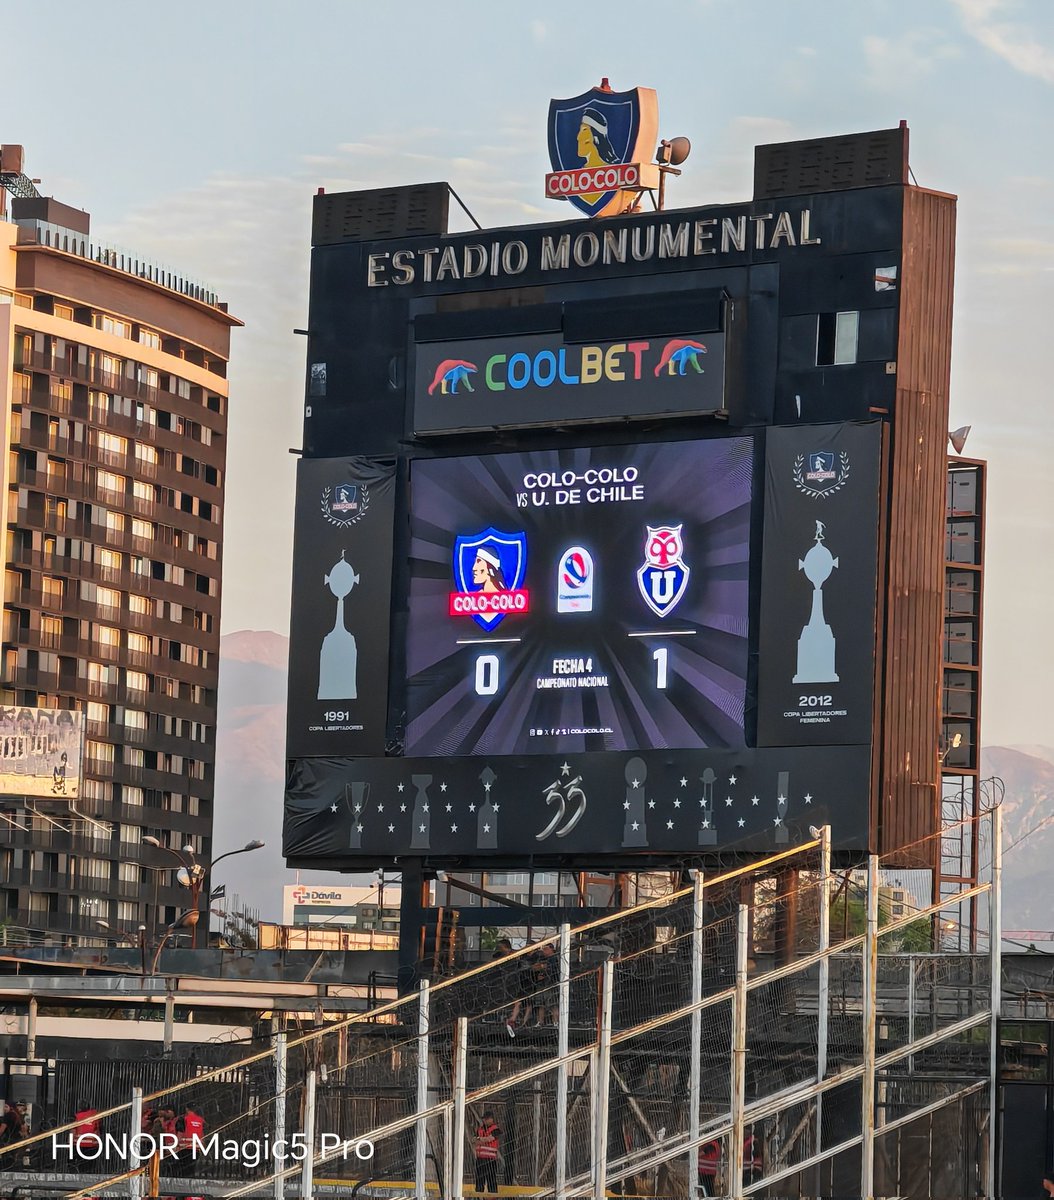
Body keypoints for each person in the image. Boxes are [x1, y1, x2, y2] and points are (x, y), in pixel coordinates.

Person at [473, 1109, 500, 1197]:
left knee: (491, 1182)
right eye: (484, 1119)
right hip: (480, 1159)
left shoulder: (496, 1129)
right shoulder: (479, 1129)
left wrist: (480, 1139)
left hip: (490, 1160)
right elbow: (474, 1140)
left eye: (486, 1119)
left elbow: (490, 1139)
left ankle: (492, 1198)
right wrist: (483, 1140)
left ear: (491, 1119)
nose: (484, 1120)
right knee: (479, 1182)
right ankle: (478, 1197)